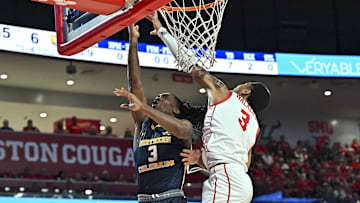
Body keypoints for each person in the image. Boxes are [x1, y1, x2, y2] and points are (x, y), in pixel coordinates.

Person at [147, 12, 271, 203]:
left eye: (244, 83)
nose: (239, 85)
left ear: (246, 90)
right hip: (240, 182)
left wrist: (163, 32)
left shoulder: (227, 95)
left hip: (227, 180)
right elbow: (243, 163)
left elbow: (194, 68)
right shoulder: (253, 126)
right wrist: (199, 159)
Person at [113, 24, 206, 202]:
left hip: (171, 197)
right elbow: (135, 83)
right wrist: (133, 41)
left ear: (176, 109)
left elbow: (182, 130)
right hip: (144, 199)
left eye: (165, 97)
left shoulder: (183, 126)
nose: (158, 98)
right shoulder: (143, 123)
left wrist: (144, 106)